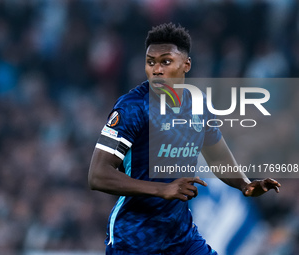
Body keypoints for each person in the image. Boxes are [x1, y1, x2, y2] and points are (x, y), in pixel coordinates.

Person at [88, 23, 281, 255]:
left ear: (186, 65)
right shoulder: (132, 108)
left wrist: (245, 184)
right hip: (134, 238)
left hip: (181, 237)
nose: (157, 70)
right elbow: (98, 174)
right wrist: (162, 189)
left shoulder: (198, 105)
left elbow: (218, 159)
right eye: (151, 62)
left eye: (165, 62)